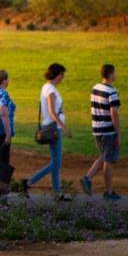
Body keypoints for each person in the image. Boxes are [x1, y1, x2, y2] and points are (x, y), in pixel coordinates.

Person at [27, 63, 73, 201]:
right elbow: (53, 112)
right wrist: (64, 127)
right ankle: (30, 182)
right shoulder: (50, 90)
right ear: (57, 75)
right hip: (54, 129)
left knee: (56, 162)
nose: (63, 77)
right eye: (62, 75)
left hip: (52, 127)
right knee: (57, 163)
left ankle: (57, 193)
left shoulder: (48, 88)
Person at [80, 64, 122, 201]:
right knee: (108, 160)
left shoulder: (95, 88)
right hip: (108, 130)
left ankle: (88, 179)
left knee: (104, 156)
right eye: (114, 73)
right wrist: (118, 133)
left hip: (97, 128)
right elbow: (114, 113)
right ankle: (107, 192)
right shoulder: (112, 92)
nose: (116, 75)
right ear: (110, 75)